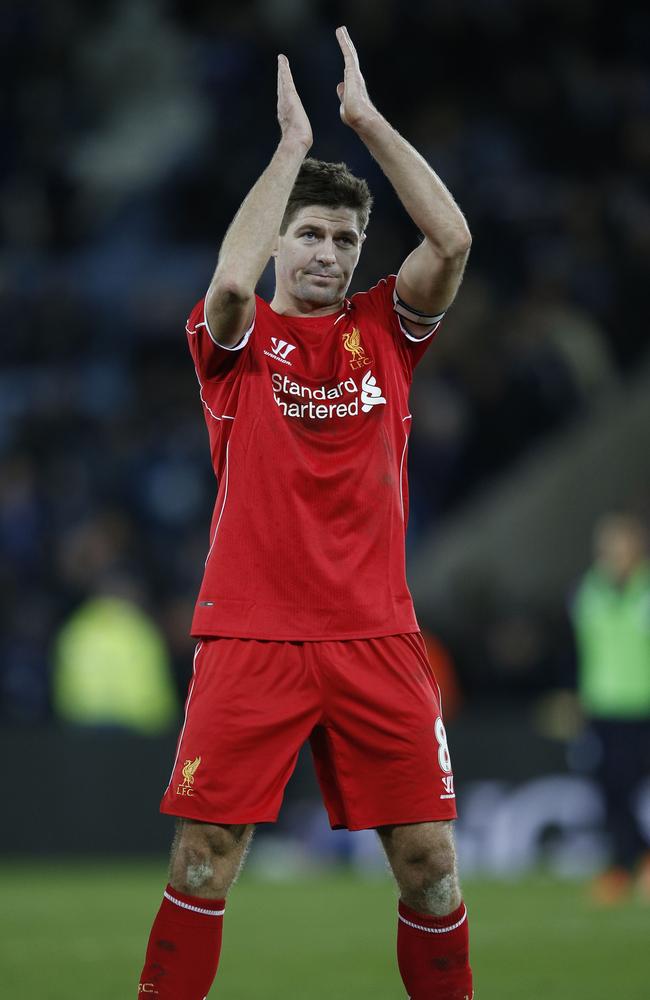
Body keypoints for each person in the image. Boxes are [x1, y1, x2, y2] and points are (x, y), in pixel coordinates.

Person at [138, 26, 472, 999]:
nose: (326, 251)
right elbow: (232, 284)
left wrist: (362, 121)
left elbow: (450, 241)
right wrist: (286, 154)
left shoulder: (385, 331)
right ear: (280, 237)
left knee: (430, 867)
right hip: (252, 635)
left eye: (341, 237)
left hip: (376, 634)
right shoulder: (232, 344)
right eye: (309, 232)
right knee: (203, 858)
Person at [571, 512, 650, 904]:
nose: (612, 554)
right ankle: (627, 864)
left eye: (619, 545)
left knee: (629, 786)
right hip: (602, 707)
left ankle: (630, 864)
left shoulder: (645, 592)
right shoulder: (589, 592)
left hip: (642, 705)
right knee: (611, 789)